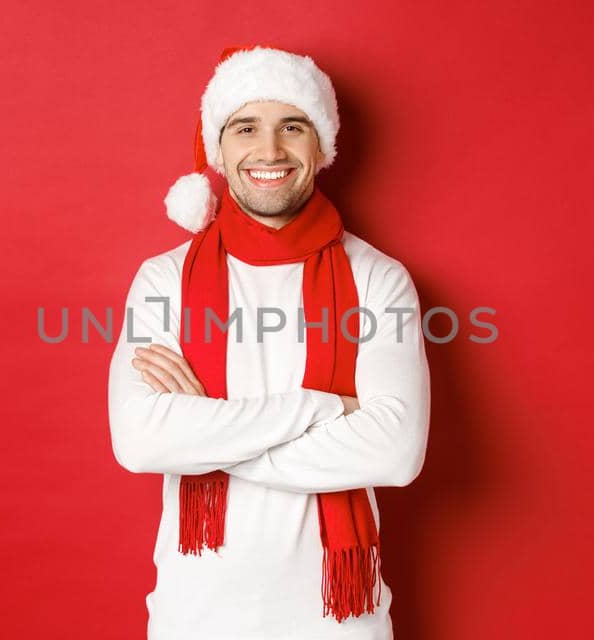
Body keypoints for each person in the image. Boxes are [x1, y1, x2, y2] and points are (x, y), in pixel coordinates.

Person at [107, 45, 431, 640]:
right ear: (217, 147)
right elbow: (139, 441)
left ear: (321, 145)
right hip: (194, 616)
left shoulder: (378, 279)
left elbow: (396, 453)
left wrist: (206, 430)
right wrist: (325, 407)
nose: (270, 151)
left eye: (292, 126)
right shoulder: (163, 279)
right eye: (245, 127)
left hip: (340, 621)